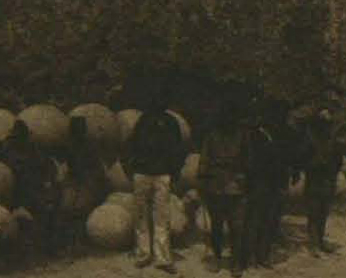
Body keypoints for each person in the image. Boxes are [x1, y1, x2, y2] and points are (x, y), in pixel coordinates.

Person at [122, 109, 187, 274]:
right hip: (142, 173)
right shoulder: (142, 120)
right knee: (140, 216)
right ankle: (143, 255)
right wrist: (131, 169)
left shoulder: (171, 122)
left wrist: (174, 171)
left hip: (163, 174)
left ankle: (163, 258)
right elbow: (129, 146)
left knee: (162, 217)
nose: (155, 101)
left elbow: (179, 149)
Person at [0, 120, 61, 255]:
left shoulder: (33, 150)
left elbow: (49, 167)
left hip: (31, 190)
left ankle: (47, 246)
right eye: (15, 138)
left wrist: (47, 183)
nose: (18, 141)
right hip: (13, 191)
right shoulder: (6, 149)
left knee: (46, 212)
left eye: (19, 137)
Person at [199, 104, 251, 277]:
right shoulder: (211, 136)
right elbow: (204, 161)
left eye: (231, 117)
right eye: (225, 117)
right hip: (216, 187)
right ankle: (217, 257)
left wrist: (245, 179)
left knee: (237, 227)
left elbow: (249, 160)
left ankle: (236, 262)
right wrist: (202, 181)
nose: (228, 120)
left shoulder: (243, 137)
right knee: (216, 226)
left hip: (237, 186)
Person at [245, 101, 292, 269]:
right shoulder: (253, 136)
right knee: (254, 220)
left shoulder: (278, 135)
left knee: (270, 220)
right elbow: (251, 162)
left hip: (274, 184)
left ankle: (262, 255)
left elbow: (284, 159)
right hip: (258, 183)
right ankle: (249, 256)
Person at [299, 108, 344, 257]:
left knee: (324, 211)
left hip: (328, 179)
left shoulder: (333, 140)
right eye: (324, 123)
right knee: (314, 212)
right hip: (315, 179)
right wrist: (315, 165)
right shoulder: (310, 138)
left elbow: (339, 159)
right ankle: (314, 244)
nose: (327, 126)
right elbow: (303, 159)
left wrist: (334, 173)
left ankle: (320, 240)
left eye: (328, 123)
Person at [61, 117, 109, 248]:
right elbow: (68, 167)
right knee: (68, 207)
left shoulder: (89, 146)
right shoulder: (70, 146)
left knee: (79, 208)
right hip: (75, 180)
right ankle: (73, 240)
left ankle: (79, 239)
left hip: (87, 180)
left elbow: (97, 169)